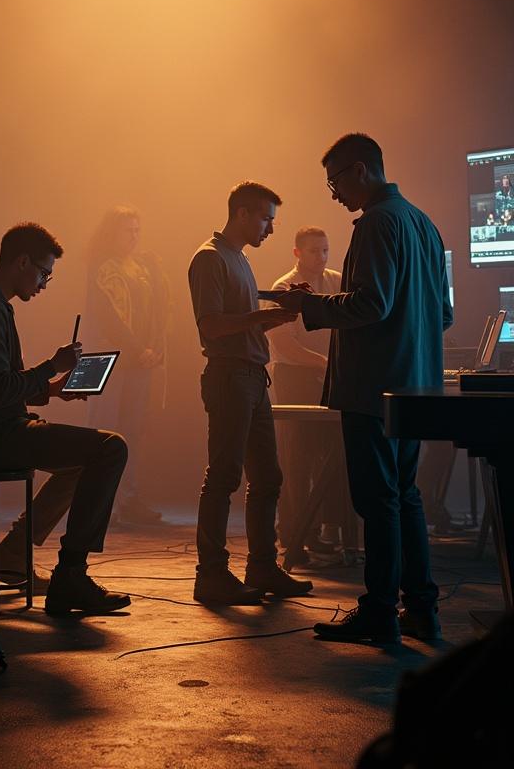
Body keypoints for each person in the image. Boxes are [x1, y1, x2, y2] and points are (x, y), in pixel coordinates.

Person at [274, 133, 452, 644]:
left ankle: (378, 613)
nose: (333, 194)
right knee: (405, 496)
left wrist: (308, 308)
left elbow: (369, 305)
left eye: (334, 181)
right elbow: (443, 314)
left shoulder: (376, 223)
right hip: (414, 389)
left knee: (378, 503)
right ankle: (421, 610)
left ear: (360, 170)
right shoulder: (424, 223)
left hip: (372, 387)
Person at [0, 222, 131, 616]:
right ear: (22, 261)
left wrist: (53, 389)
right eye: (44, 273)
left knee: (87, 458)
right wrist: (51, 367)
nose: (45, 283)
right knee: (110, 448)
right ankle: (72, 576)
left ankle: (12, 555)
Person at [187, 181, 314, 605]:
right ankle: (211, 576)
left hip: (252, 377)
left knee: (267, 477)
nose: (271, 229)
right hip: (230, 377)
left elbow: (238, 318)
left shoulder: (237, 258)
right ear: (242, 213)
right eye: (266, 219)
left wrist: (278, 311)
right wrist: (270, 314)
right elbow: (212, 326)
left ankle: (261, 566)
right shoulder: (209, 258)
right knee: (223, 476)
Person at [85, 205, 170, 525]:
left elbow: (154, 312)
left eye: (137, 230)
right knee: (102, 431)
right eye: (127, 230)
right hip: (105, 358)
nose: (134, 236)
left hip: (137, 361)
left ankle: (127, 499)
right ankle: (97, 502)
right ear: (112, 232)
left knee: (132, 431)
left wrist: (152, 349)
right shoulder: (100, 267)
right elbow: (107, 317)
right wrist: (138, 349)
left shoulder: (141, 267)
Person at [268, 226, 344, 559]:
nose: (321, 256)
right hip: (295, 376)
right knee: (296, 458)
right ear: (298, 253)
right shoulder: (283, 288)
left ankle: (321, 529)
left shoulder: (337, 280)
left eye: (325, 250)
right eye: (314, 251)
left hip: (328, 375)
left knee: (328, 456)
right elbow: (284, 344)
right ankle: (293, 533)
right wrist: (325, 363)